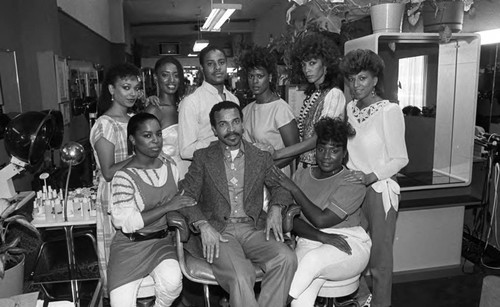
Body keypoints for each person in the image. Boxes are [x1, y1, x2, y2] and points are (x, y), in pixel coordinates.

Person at [177, 101, 298, 307]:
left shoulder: (260, 157)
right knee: (241, 276)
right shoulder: (203, 157)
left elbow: (281, 187)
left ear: (242, 124)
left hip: (253, 229)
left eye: (235, 122)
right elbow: (186, 195)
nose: (231, 129)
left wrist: (276, 208)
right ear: (214, 130)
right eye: (223, 124)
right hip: (219, 232)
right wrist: (203, 225)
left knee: (286, 258)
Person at [270, 117, 371, 307]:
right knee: (300, 299)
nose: (326, 156)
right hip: (311, 239)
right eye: (322, 149)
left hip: (349, 242)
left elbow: (321, 219)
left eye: (334, 151)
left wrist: (294, 189)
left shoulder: (352, 181)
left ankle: (275, 303)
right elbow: (290, 219)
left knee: (312, 261)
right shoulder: (301, 174)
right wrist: (320, 237)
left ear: (344, 154)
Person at [339, 49, 409, 307]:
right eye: (352, 79)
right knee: (352, 250)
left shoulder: (389, 111)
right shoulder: (350, 108)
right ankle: (362, 299)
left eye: (363, 78)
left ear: (375, 80)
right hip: (355, 190)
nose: (356, 85)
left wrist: (371, 176)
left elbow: (401, 159)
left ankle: (381, 304)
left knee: (379, 261)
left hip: (381, 191)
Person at [108, 113, 195, 306]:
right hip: (129, 248)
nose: (155, 141)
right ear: (133, 139)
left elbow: (181, 200)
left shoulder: (170, 166)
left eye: (158, 134)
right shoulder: (123, 177)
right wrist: (168, 207)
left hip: (161, 243)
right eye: (147, 136)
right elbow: (128, 223)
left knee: (173, 283)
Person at [89, 62, 142, 295]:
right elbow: (109, 171)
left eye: (136, 88)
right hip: (113, 196)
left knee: (138, 256)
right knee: (117, 258)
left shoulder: (133, 120)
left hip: (134, 193)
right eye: (126, 87)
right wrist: (139, 155)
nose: (132, 93)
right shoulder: (105, 125)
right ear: (111, 90)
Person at [273, 32, 346, 168]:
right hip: (306, 168)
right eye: (303, 65)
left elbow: (319, 138)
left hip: (323, 169)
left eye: (312, 63)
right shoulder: (314, 94)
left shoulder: (334, 94)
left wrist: (278, 153)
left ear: (326, 64)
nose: (307, 70)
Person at [240, 45, 300, 176]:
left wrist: (267, 169)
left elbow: (294, 151)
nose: (255, 81)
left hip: (276, 176)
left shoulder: (281, 109)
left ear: (270, 77)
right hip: (252, 176)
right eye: (251, 76)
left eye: (260, 76)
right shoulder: (246, 110)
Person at [178, 45, 239, 161]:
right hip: (207, 171)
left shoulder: (234, 99)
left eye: (221, 62)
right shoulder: (192, 102)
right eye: (210, 64)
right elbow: (185, 151)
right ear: (202, 68)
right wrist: (219, 143)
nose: (217, 68)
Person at [145, 56, 190, 179]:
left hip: (188, 172)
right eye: (165, 75)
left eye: (176, 75)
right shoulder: (154, 110)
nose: (172, 80)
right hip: (164, 175)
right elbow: (142, 148)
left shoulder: (183, 106)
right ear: (156, 78)